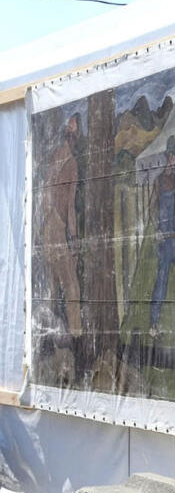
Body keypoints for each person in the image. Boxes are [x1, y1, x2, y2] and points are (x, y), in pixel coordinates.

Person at [40, 113, 83, 336]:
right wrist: (74, 241)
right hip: (57, 226)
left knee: (52, 286)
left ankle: (50, 336)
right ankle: (76, 336)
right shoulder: (72, 163)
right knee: (72, 288)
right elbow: (70, 207)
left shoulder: (54, 156)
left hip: (47, 226)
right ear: (73, 137)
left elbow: (46, 192)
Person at [150, 138, 175, 335]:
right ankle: (154, 323)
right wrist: (157, 229)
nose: (174, 159)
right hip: (164, 240)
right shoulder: (158, 180)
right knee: (163, 277)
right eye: (171, 156)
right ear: (167, 157)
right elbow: (151, 208)